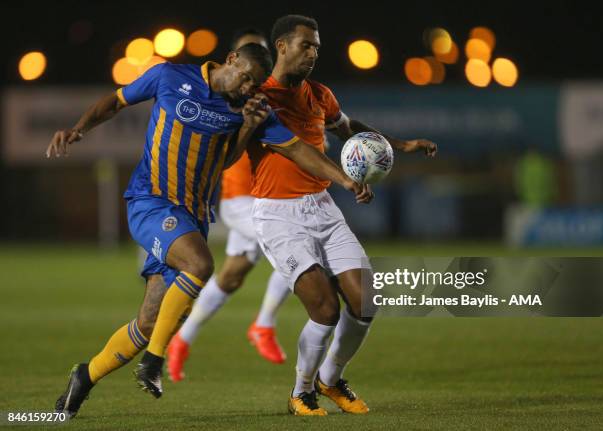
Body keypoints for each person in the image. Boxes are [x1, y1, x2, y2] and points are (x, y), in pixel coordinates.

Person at [48, 41, 368, 418]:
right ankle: (153, 363)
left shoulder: (250, 110)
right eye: (246, 78)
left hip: (192, 215)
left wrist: (342, 179)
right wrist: (79, 129)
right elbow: (116, 101)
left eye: (255, 83)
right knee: (200, 266)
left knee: (150, 322)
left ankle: (85, 377)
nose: (249, 87)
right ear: (230, 60)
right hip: (150, 201)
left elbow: (284, 151)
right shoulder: (169, 76)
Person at [247, 15, 437, 416]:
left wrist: (399, 145)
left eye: (316, 46)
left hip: (322, 208)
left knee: (366, 301)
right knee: (325, 309)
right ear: (281, 46)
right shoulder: (261, 99)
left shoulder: (320, 94)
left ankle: (329, 381)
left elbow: (348, 129)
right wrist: (346, 182)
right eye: (305, 45)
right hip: (279, 215)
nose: (313, 53)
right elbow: (300, 150)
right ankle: (301, 392)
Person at [167, 28, 291, 382]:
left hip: (266, 196)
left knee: (232, 276)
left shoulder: (266, 93)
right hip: (241, 199)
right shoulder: (229, 97)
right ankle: (264, 326)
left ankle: (182, 340)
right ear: (232, 58)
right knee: (293, 248)